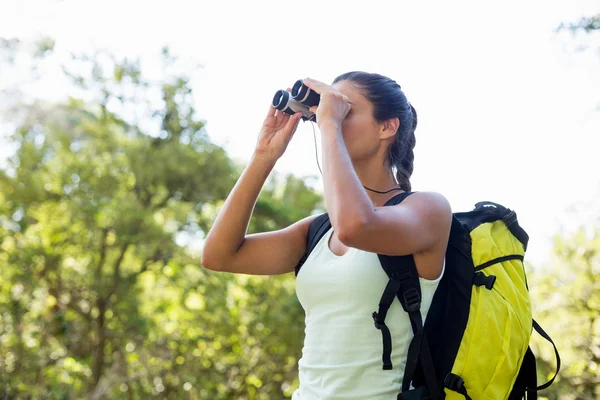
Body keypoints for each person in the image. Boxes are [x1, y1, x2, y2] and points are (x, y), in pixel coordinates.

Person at [201, 71, 453, 400]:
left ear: (386, 127)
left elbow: (355, 227)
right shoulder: (317, 231)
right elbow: (219, 256)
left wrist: (330, 125)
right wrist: (264, 156)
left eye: (345, 109)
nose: (326, 116)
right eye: (325, 109)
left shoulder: (427, 210)